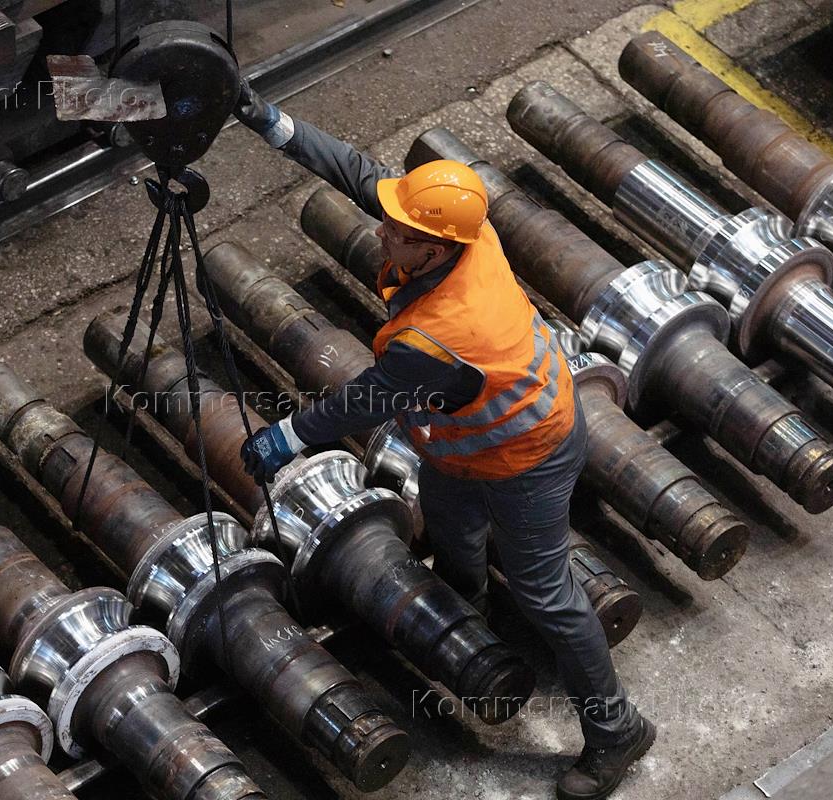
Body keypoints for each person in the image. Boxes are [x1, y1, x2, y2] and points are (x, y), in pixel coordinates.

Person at [232, 81, 654, 800]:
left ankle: (617, 731)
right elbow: (362, 176)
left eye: (398, 234)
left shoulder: (443, 335)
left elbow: (366, 401)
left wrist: (288, 436)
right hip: (460, 444)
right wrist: (274, 124)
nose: (382, 233)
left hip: (528, 456)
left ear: (433, 248)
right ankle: (469, 634)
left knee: (546, 593)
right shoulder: (461, 230)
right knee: (452, 532)